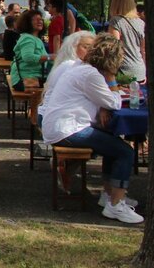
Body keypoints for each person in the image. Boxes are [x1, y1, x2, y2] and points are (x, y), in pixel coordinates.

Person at [40, 37, 141, 223]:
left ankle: (110, 195)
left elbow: (102, 100)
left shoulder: (80, 68)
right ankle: (116, 205)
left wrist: (104, 104)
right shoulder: (91, 75)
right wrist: (111, 81)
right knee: (125, 152)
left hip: (60, 125)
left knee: (112, 144)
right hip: (68, 129)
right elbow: (113, 101)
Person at [106, 0, 146, 84]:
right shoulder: (141, 22)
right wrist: (145, 71)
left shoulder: (115, 21)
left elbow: (114, 48)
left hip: (124, 71)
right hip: (140, 70)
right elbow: (143, 49)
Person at [8, 9, 49, 90]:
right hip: (25, 79)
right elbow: (28, 57)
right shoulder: (27, 38)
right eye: (36, 20)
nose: (40, 21)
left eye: (41, 19)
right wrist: (50, 57)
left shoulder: (36, 38)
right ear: (27, 22)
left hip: (35, 78)